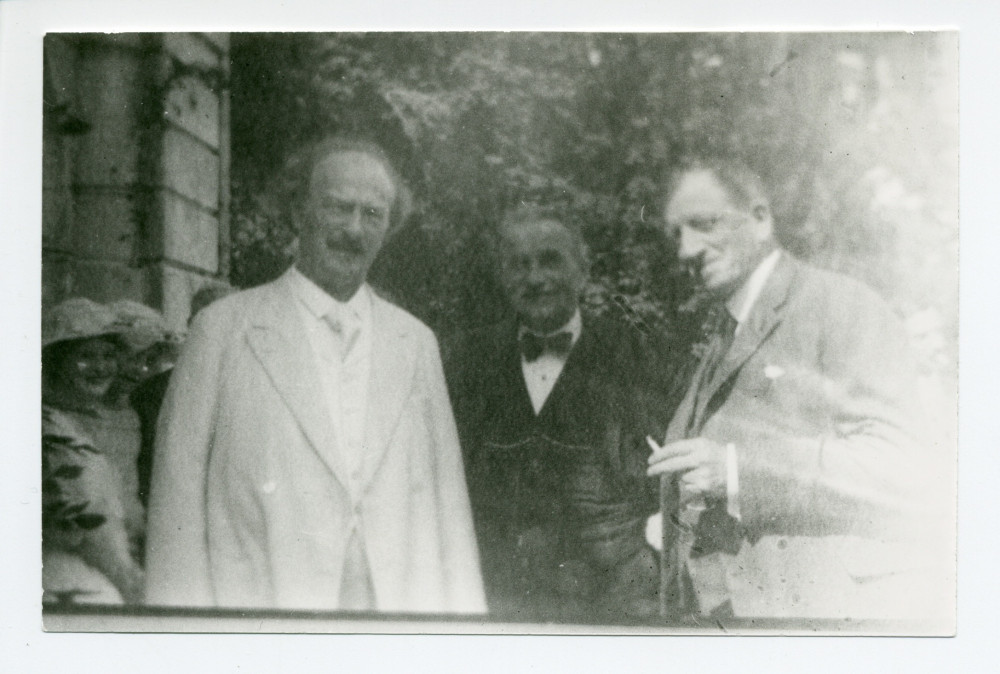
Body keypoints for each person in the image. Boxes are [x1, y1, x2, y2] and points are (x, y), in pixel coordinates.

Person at [144, 137, 485, 613]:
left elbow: (451, 511)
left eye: (373, 214)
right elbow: (176, 504)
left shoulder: (416, 343)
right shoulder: (222, 330)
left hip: (395, 625)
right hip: (261, 618)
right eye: (339, 207)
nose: (354, 229)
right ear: (296, 211)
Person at [645, 157, 942, 620]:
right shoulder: (718, 341)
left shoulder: (841, 306)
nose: (685, 250)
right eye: (675, 235)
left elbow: (900, 467)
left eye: (703, 224)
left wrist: (737, 470)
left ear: (760, 220)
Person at [444, 205, 678, 622]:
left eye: (550, 259)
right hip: (500, 599)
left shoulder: (635, 353)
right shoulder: (468, 359)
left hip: (613, 601)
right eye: (519, 265)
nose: (535, 278)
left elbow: (669, 474)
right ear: (502, 276)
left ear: (582, 270)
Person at [42, 298, 145, 604]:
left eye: (108, 355)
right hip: (67, 581)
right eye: (85, 357)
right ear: (57, 362)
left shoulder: (110, 421)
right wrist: (131, 583)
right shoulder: (48, 428)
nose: (101, 368)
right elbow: (83, 525)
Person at [129, 283, 233, 508]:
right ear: (190, 325)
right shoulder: (154, 391)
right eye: (207, 320)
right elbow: (147, 469)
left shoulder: (252, 386)